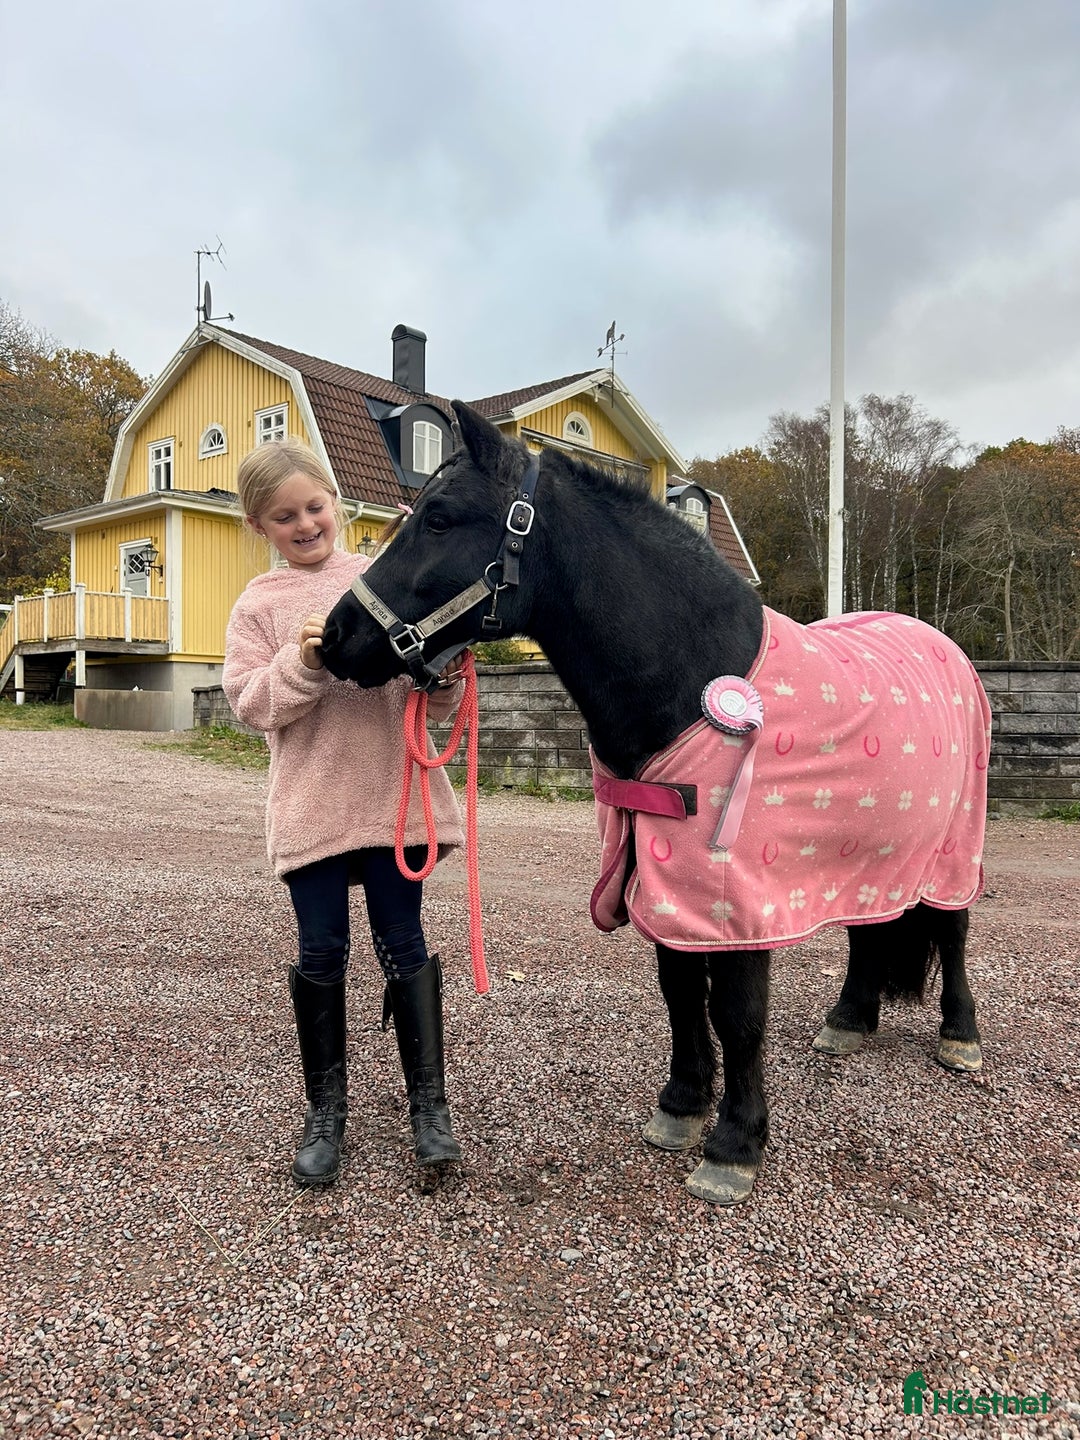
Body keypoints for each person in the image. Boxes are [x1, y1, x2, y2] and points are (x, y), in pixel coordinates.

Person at [222, 436, 466, 1187]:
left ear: (335, 502)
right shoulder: (257, 606)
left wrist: (449, 671)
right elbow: (250, 706)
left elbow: (433, 701)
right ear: (259, 526)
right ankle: (326, 1110)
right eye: (284, 515)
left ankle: (430, 1107)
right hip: (312, 809)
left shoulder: (379, 578)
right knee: (322, 951)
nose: (304, 524)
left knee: (404, 941)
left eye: (314, 506)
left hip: (393, 803)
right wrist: (303, 662)